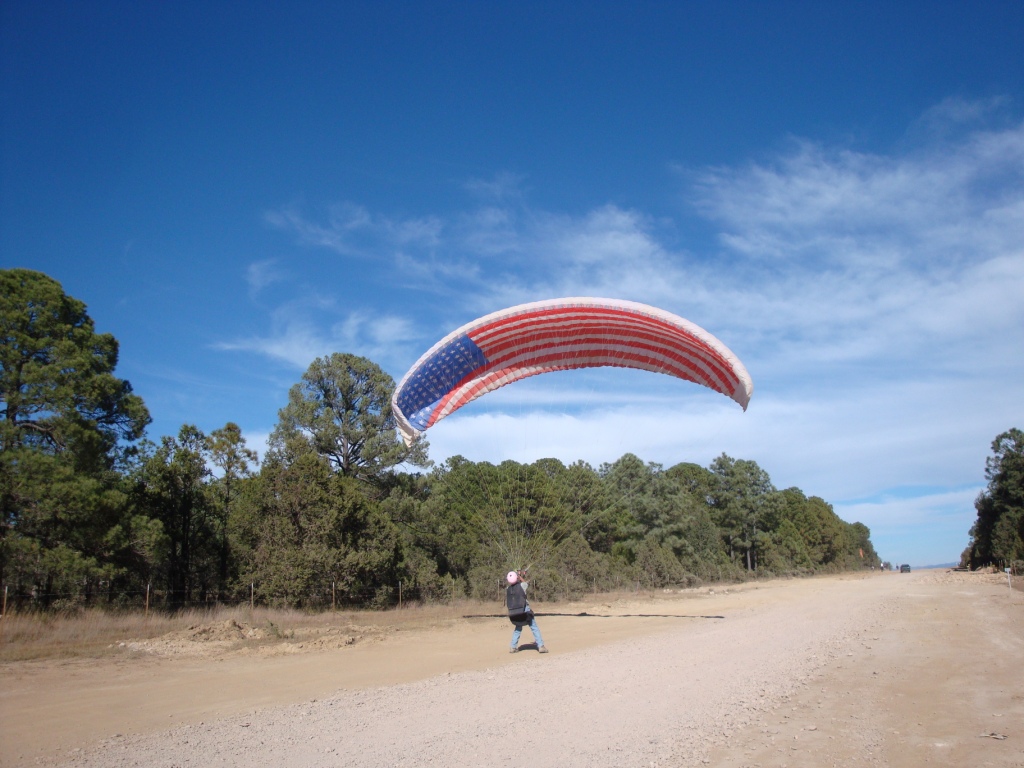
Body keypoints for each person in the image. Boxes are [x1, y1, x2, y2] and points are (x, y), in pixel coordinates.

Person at [505, 570, 548, 654]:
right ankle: (541, 646)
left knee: (518, 628)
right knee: (534, 627)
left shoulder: (508, 589)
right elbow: (526, 583)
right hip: (524, 611)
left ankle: (513, 647)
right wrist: (520, 576)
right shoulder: (522, 586)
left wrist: (517, 576)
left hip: (514, 613)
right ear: (516, 578)